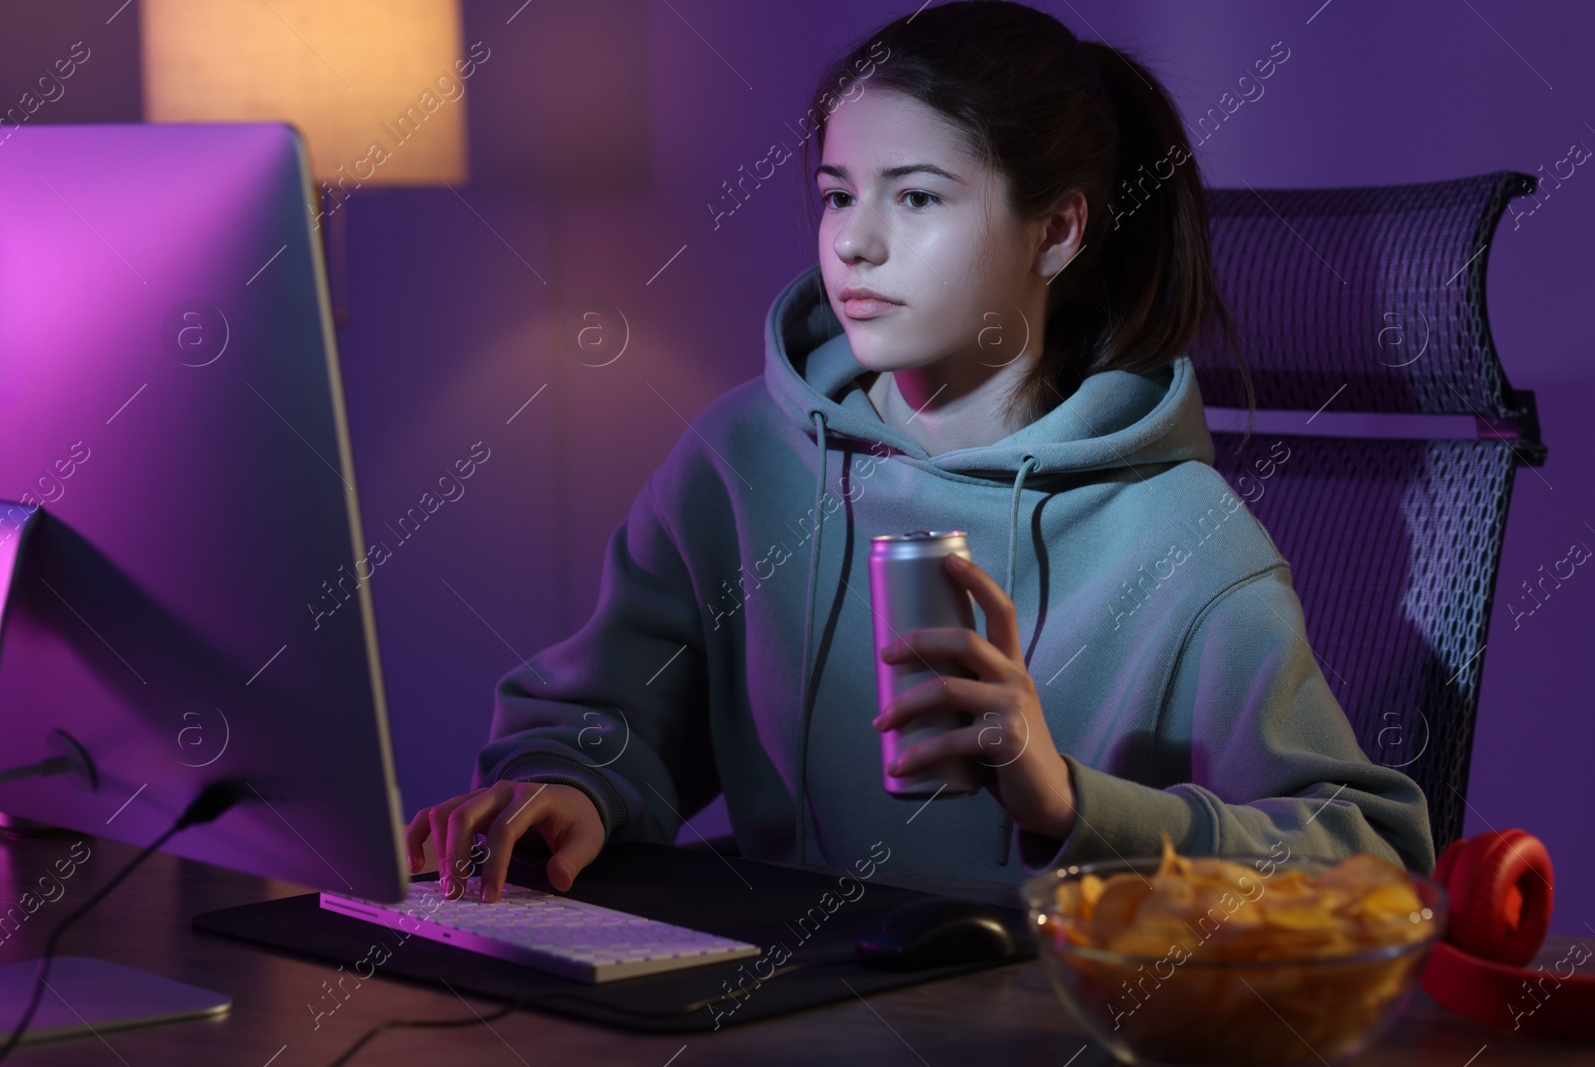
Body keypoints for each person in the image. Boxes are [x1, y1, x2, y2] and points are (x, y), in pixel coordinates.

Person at [408, 0, 1435, 904]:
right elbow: (606, 720)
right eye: (836, 192)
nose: (854, 241)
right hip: (773, 1021)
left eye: (917, 196)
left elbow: (1373, 860)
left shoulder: (1180, 532)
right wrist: (570, 785)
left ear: (1058, 231)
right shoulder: (739, 458)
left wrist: (1072, 800)